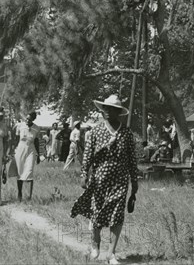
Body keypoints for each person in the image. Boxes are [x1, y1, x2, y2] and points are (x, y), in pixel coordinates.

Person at [71, 95, 138, 265]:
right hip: (99, 178)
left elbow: (132, 159)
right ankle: (95, 244)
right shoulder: (95, 131)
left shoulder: (126, 133)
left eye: (113, 110)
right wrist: (84, 174)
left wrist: (134, 182)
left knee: (117, 215)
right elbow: (87, 155)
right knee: (97, 212)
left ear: (119, 112)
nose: (108, 112)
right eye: (106, 109)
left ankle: (111, 253)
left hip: (120, 179)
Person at [10, 111, 41, 201]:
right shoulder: (20, 126)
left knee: (29, 171)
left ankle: (29, 196)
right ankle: (19, 193)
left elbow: (36, 142)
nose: (27, 120)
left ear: (33, 119)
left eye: (30, 119)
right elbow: (15, 139)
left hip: (31, 150)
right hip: (20, 149)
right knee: (20, 172)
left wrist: (38, 155)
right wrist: (12, 150)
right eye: (26, 119)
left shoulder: (36, 128)